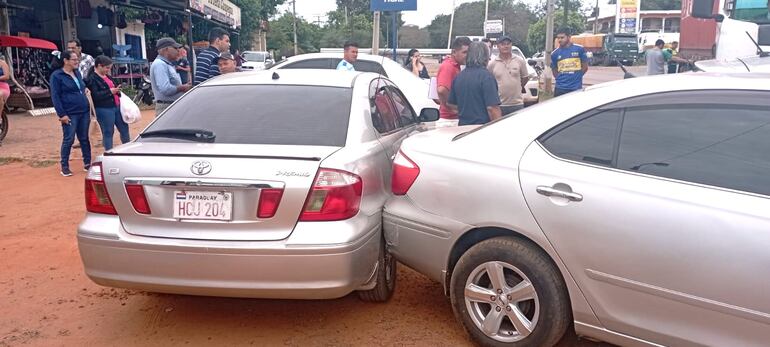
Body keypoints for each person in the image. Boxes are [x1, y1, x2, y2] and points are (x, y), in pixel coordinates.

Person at [50, 50, 91, 177]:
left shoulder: (77, 73)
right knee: (69, 139)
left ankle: (88, 162)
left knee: (84, 138)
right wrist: (62, 114)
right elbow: (55, 96)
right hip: (70, 112)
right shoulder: (57, 76)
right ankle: (65, 166)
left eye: (77, 59)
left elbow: (81, 87)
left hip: (83, 110)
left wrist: (85, 89)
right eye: (74, 59)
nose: (77, 62)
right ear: (65, 61)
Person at [447, 42, 502, 126]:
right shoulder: (486, 77)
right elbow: (492, 108)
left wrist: (467, 111)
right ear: (486, 57)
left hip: (463, 128)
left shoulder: (459, 77)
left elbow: (451, 104)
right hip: (482, 128)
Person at [86, 55, 130, 151]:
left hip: (116, 106)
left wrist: (117, 90)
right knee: (108, 132)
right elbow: (95, 96)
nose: (108, 70)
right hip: (104, 108)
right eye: (107, 68)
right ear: (99, 66)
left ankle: (128, 149)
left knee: (124, 129)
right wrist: (110, 91)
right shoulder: (92, 79)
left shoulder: (108, 77)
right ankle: (109, 151)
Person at [488, 36, 529, 115]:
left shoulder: (519, 61)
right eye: (503, 44)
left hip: (517, 104)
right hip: (500, 105)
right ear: (498, 46)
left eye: (508, 44)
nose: (506, 46)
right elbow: (490, 83)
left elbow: (525, 78)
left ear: (511, 45)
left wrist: (517, 87)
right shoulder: (492, 64)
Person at [436, 36, 471, 128]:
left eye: (469, 53)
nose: (467, 56)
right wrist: (452, 107)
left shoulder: (456, 66)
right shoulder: (449, 67)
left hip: (452, 119)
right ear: (454, 52)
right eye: (464, 52)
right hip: (450, 121)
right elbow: (441, 90)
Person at [150, 38, 191, 115]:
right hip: (166, 107)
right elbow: (165, 89)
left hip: (170, 106)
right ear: (166, 49)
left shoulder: (167, 64)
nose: (178, 51)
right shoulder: (160, 64)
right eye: (175, 48)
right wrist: (182, 87)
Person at [551, 27, 588, 97]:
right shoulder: (554, 54)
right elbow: (554, 71)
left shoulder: (579, 49)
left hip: (575, 88)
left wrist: (576, 77)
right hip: (560, 88)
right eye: (558, 38)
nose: (559, 40)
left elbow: (585, 67)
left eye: (562, 37)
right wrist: (562, 79)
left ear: (569, 37)